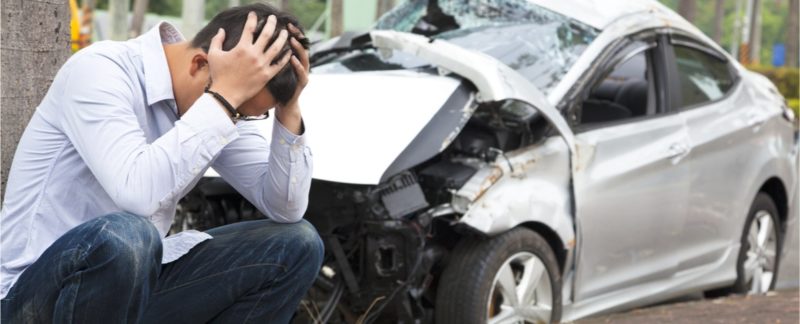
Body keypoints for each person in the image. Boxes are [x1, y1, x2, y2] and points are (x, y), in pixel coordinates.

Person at [0, 3, 322, 323]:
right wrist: (223, 101)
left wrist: (288, 110)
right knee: (128, 235)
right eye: (235, 111)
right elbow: (137, 194)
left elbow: (286, 208)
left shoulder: (219, 100)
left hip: (132, 292)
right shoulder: (102, 70)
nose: (233, 119)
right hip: (35, 296)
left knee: (298, 243)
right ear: (199, 64)